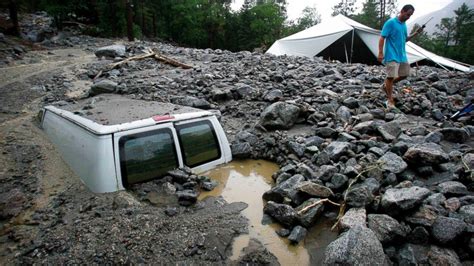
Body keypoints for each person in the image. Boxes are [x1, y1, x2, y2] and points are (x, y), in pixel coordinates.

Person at [378, 4, 423, 109]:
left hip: (402, 55)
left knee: (404, 74)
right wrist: (380, 52)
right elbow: (382, 37)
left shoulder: (404, 25)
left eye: (410, 15)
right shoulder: (391, 23)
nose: (408, 17)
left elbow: (405, 39)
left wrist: (416, 33)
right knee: (390, 76)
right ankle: (389, 99)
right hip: (391, 54)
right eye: (407, 14)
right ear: (402, 11)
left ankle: (386, 86)